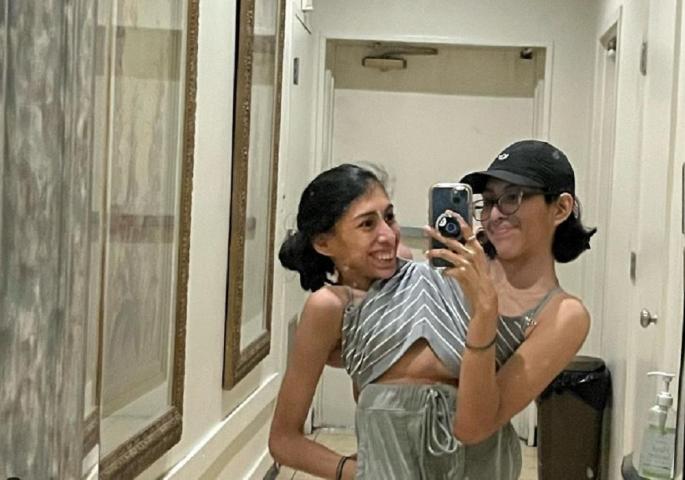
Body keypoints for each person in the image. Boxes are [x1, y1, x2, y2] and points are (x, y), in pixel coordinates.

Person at [269, 140, 595, 479]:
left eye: (512, 198)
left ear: (560, 208)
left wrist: (485, 314)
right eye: (488, 201)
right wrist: (359, 471)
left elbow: (472, 427)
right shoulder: (419, 273)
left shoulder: (562, 315)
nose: (495, 215)